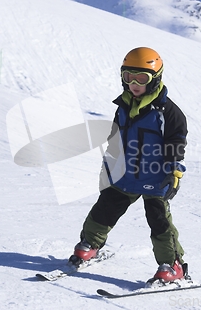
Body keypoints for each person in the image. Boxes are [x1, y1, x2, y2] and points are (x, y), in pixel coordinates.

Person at [69, 47, 188, 283]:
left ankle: (172, 265)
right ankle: (90, 244)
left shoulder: (168, 112)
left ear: (156, 78)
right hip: (125, 175)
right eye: (128, 76)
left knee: (158, 220)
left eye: (141, 78)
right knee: (105, 208)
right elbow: (116, 139)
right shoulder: (123, 105)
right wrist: (109, 165)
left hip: (156, 176)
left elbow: (176, 143)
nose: (134, 83)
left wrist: (174, 170)